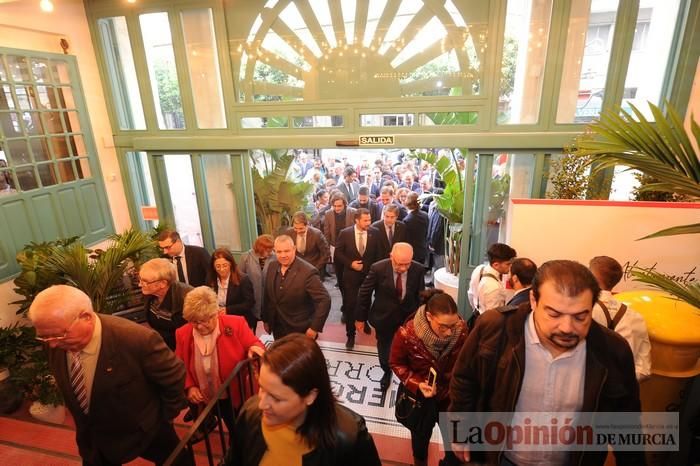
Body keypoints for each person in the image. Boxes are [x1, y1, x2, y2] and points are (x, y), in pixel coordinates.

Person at [449, 260, 643, 465]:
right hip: (503, 458)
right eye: (554, 314)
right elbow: (464, 380)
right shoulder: (496, 328)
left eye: (580, 317)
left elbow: (626, 420)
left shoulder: (613, 350)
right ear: (533, 300)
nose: (567, 327)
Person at [28, 285, 194, 466]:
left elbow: (174, 376)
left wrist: (163, 417)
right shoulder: (54, 337)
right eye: (44, 337)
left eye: (60, 335)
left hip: (146, 430)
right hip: (95, 438)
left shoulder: (137, 339)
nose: (52, 345)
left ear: (86, 317)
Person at [226, 334, 381, 466]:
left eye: (276, 398)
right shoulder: (250, 413)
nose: (261, 404)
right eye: (261, 388)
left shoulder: (350, 438)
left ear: (310, 396)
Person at [175, 287, 265, 438]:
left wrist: (255, 349)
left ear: (215, 313)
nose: (199, 326)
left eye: (203, 321)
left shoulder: (236, 324)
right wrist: (190, 387)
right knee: (229, 425)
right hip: (207, 396)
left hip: (235, 394)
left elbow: (255, 343)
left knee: (240, 426)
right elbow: (180, 365)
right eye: (194, 321)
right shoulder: (183, 333)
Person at [391, 289, 467, 466]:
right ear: (429, 316)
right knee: (420, 440)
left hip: (449, 396)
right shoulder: (407, 335)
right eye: (443, 327)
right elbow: (396, 363)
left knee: (455, 442)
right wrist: (417, 383)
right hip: (421, 399)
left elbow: (466, 363)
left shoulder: (461, 331)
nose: (449, 332)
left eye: (452, 325)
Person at [356, 242, 425, 391]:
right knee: (385, 349)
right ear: (391, 257)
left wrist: (421, 320)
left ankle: (405, 375)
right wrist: (360, 318)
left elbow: (420, 296)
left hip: (408, 318)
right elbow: (364, 294)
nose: (403, 268)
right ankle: (386, 372)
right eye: (399, 264)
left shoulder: (418, 269)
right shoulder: (378, 268)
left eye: (407, 264)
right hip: (383, 318)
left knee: (408, 349)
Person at [589, 256, 652, 381]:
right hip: (619, 392)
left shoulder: (582, 310)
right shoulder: (636, 317)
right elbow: (644, 370)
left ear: (590, 278)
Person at [261, 235, 331, 339]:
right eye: (279, 252)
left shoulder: (308, 272)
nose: (283, 255)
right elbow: (267, 295)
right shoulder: (272, 266)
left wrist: (314, 328)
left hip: (300, 329)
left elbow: (324, 300)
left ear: (294, 249)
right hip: (277, 327)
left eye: (287, 251)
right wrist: (266, 320)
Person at [334, 208, 379, 349]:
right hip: (350, 275)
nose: (369, 222)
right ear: (357, 220)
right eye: (365, 220)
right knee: (350, 305)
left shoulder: (375, 232)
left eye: (369, 219)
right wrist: (351, 264)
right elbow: (338, 254)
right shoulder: (345, 233)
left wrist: (371, 270)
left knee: (366, 301)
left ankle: (364, 320)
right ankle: (350, 335)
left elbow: (377, 254)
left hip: (368, 275)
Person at [141, 258, 192, 350]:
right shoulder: (150, 293)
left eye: (145, 282)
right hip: (166, 345)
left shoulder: (188, 297)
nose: (140, 285)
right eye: (141, 280)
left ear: (163, 283)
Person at [209, 248, 256, 331]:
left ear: (231, 264)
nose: (221, 269)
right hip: (220, 322)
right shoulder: (211, 279)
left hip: (240, 322)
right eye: (218, 266)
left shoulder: (243, 279)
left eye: (225, 265)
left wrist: (228, 310)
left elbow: (250, 303)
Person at [467, 242, 516, 315]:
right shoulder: (494, 287)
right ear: (496, 265)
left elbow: (471, 295)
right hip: (488, 322)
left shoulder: (479, 269)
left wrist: (477, 308)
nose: (510, 267)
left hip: (477, 315)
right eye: (508, 264)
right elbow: (493, 317)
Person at [239, 234, 275, 328]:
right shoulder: (246, 257)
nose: (270, 251)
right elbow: (240, 278)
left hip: (269, 299)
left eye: (271, 249)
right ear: (260, 247)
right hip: (251, 299)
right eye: (267, 249)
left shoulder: (275, 257)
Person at [403, 192, 429, 266]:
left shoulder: (407, 220)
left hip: (412, 252)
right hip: (423, 249)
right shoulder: (425, 215)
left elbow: (406, 238)